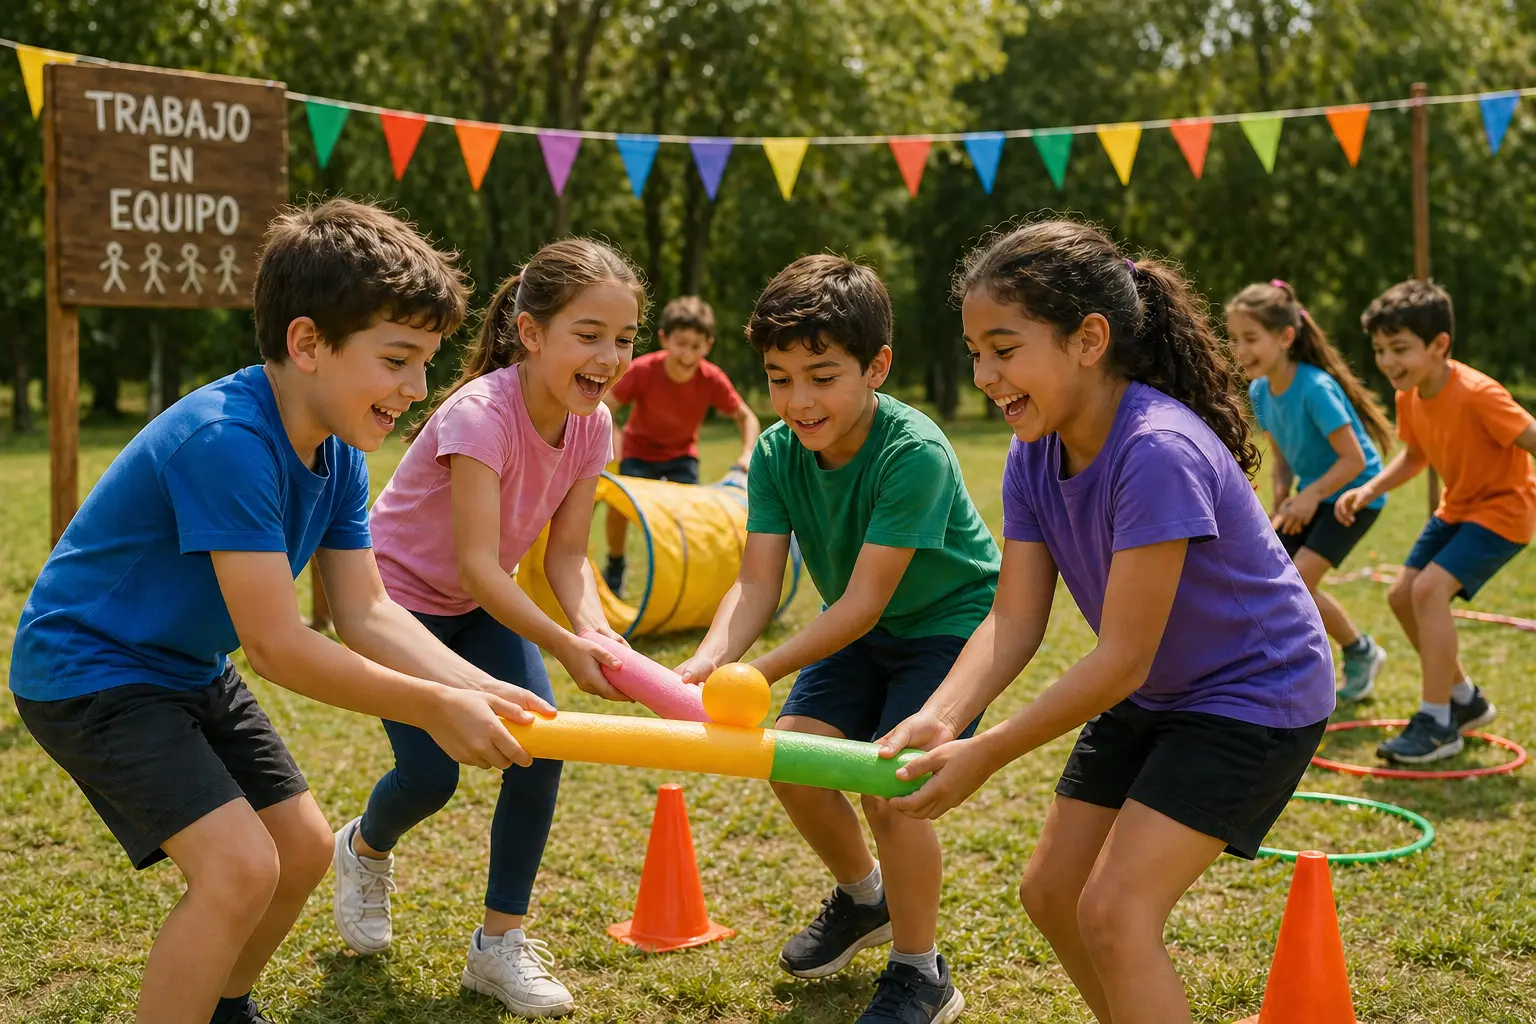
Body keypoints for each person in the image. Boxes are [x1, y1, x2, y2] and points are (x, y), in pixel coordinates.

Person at [8, 198, 550, 1024]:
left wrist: (483, 687)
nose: (417, 388)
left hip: (184, 666)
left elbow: (367, 611)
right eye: (398, 359)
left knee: (297, 852)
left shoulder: (337, 453)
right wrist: (439, 705)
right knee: (237, 870)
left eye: (426, 362)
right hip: (91, 672)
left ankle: (226, 1011)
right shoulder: (227, 441)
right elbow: (279, 646)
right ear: (307, 344)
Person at [879, 221, 1334, 1024]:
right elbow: (1015, 618)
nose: (984, 374)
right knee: (1053, 893)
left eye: (1005, 348)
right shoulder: (1032, 453)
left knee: (1115, 913)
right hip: (1163, 689)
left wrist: (984, 750)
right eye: (975, 351)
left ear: (1090, 338)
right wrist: (942, 714)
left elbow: (1122, 657)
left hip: (1256, 695)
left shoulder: (1157, 449)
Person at [677, 255, 998, 1024]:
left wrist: (761, 670)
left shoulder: (910, 451)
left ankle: (922, 973)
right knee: (792, 762)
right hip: (865, 631)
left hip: (948, 627)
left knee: (894, 792)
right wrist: (710, 657)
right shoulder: (779, 454)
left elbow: (860, 602)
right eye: (779, 377)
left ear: (876, 366)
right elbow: (757, 581)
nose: (797, 400)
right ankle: (865, 901)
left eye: (822, 375)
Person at [331, 238, 645, 1017]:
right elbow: (477, 563)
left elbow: (569, 557)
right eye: (589, 334)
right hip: (397, 606)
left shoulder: (593, 424)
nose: (609, 356)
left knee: (538, 752)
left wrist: (598, 633)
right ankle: (364, 849)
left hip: (475, 611)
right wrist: (565, 646)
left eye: (625, 338)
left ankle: (498, 946)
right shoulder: (478, 413)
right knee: (432, 777)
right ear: (531, 333)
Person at [1336, 279, 1536, 763]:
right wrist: (1369, 488)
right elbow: (1415, 456)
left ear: (1439, 344)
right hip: (1459, 508)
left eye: (1399, 349)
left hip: (1504, 510)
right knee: (1402, 595)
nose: (1387, 362)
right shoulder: (1411, 394)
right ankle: (1465, 699)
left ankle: (1437, 721)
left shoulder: (1478, 393)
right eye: (1380, 350)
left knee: (1428, 592)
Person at [1227, 279, 1394, 701]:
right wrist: (1282, 493)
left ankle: (1361, 651)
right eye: (1233, 339)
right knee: (1268, 578)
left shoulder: (1314, 388)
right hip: (1315, 493)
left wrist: (1311, 495)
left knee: (1298, 581)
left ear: (1285, 337)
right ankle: (1277, 664)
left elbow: (1355, 460)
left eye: (1250, 338)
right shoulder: (1260, 389)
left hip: (1355, 494)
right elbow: (1282, 458)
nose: (1239, 350)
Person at [602, 295, 759, 593]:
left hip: (681, 457)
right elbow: (606, 404)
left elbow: (746, 417)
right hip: (639, 454)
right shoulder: (644, 370)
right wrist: (615, 440)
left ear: (708, 345)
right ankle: (616, 564)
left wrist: (747, 453)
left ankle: (678, 579)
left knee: (688, 519)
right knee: (618, 507)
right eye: (681, 344)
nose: (687, 354)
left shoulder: (710, 377)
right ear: (664, 339)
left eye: (696, 346)